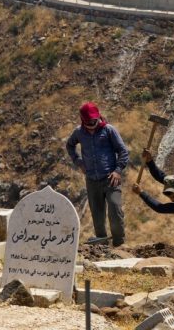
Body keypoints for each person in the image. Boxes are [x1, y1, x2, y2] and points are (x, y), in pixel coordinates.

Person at [65, 102, 130, 247]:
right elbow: (69, 145)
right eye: (88, 122)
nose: (92, 125)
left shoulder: (108, 130)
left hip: (111, 180)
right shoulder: (79, 133)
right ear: (83, 120)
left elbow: (123, 152)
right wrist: (79, 162)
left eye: (94, 121)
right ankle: (102, 247)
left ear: (98, 117)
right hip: (92, 181)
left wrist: (118, 170)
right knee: (97, 216)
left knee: (116, 213)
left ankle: (119, 245)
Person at [131, 148, 174, 234]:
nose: (172, 200)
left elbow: (159, 208)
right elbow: (161, 177)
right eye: (170, 197)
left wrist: (141, 193)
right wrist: (150, 161)